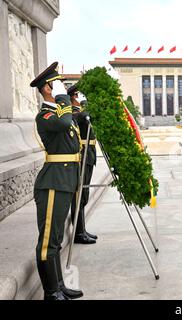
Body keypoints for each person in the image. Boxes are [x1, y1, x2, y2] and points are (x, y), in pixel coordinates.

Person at [30, 62, 84, 300]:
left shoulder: (61, 113)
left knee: (57, 239)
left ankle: (59, 286)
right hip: (52, 183)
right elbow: (63, 123)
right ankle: (50, 292)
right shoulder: (45, 116)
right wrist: (62, 97)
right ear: (47, 88)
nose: (63, 88)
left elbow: (73, 127)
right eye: (58, 83)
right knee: (48, 241)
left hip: (65, 181)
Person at [67, 84, 98, 245]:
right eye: (77, 95)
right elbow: (81, 117)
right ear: (73, 96)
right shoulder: (74, 112)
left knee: (84, 195)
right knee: (79, 195)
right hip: (82, 156)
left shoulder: (81, 110)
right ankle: (78, 232)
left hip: (89, 155)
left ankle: (82, 229)